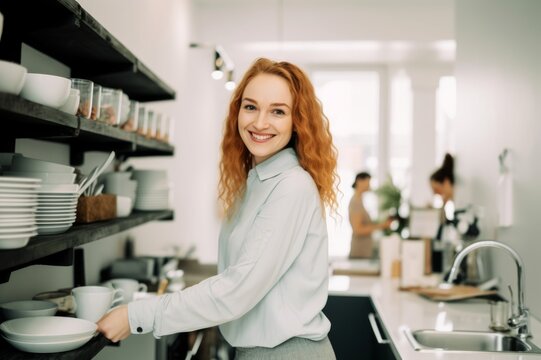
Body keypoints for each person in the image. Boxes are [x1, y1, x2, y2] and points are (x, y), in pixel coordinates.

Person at [97, 58, 338, 359]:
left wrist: (135, 316)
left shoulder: (291, 186)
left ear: (297, 121)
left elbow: (237, 291)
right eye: (250, 107)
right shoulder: (255, 183)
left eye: (278, 111)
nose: (260, 123)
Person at [348, 172, 391, 258]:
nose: (369, 185)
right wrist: (381, 226)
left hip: (364, 251)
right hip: (360, 252)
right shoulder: (355, 202)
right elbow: (358, 230)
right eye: (368, 181)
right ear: (359, 181)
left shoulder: (360, 201)